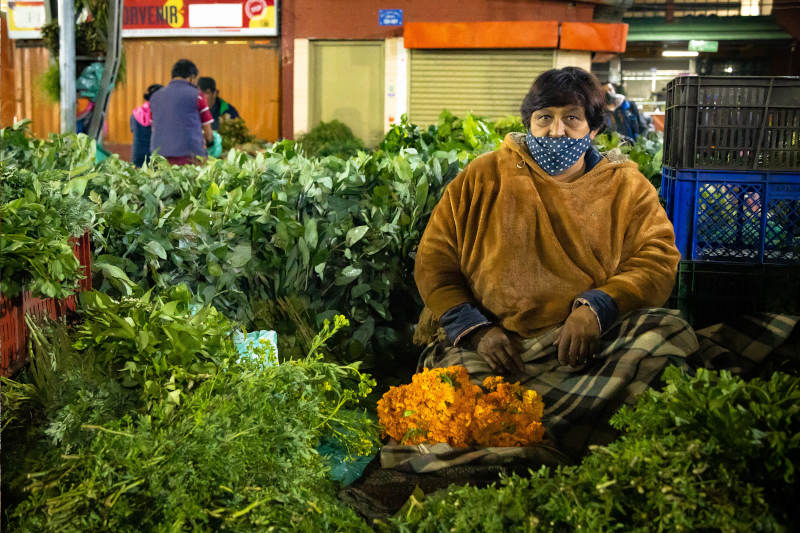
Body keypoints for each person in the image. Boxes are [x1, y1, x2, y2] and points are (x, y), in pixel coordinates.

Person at [413, 67, 691, 460]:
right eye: (544, 118)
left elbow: (657, 257)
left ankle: (536, 436)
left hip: (583, 347)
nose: (556, 131)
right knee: (456, 406)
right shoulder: (484, 176)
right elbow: (434, 259)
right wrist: (475, 330)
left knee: (668, 333)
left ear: (593, 130)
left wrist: (596, 309)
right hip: (495, 346)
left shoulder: (625, 186)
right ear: (528, 123)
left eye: (572, 118)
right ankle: (564, 434)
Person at [148, 59, 214, 166]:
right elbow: (208, 134)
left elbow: (154, 128)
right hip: (190, 157)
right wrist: (211, 144)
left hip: (160, 157)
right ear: (192, 78)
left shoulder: (155, 97)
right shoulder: (198, 96)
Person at [130, 84, 162, 167]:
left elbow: (133, 130)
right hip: (156, 159)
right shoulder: (163, 115)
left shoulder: (135, 114)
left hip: (138, 157)